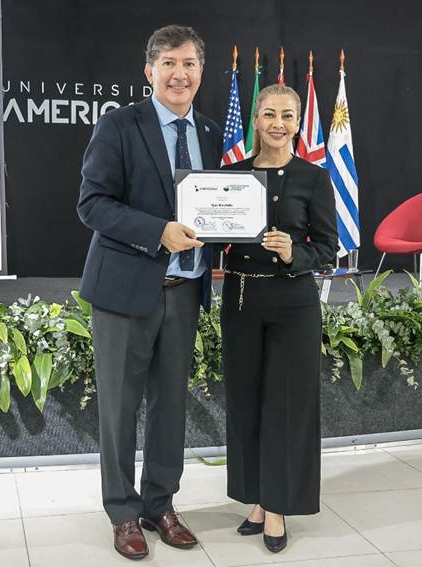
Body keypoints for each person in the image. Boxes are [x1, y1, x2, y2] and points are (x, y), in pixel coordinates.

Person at [76, 25, 223, 560]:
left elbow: (217, 206)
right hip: (125, 291)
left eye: (189, 63)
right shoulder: (119, 125)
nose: (179, 74)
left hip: (185, 291)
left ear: (200, 71)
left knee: (170, 406)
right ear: (149, 71)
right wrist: (158, 231)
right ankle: (122, 512)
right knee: (119, 408)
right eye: (169, 64)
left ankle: (160, 504)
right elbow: (92, 204)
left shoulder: (209, 132)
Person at [220, 84, 339, 553]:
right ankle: (256, 498)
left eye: (287, 115)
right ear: (255, 119)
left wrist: (295, 252)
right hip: (241, 298)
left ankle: (277, 508)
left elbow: (328, 248)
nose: (278, 123)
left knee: (286, 406)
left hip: (293, 303)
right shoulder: (229, 175)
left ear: (298, 122)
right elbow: (212, 232)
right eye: (269, 114)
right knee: (245, 402)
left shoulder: (314, 178)